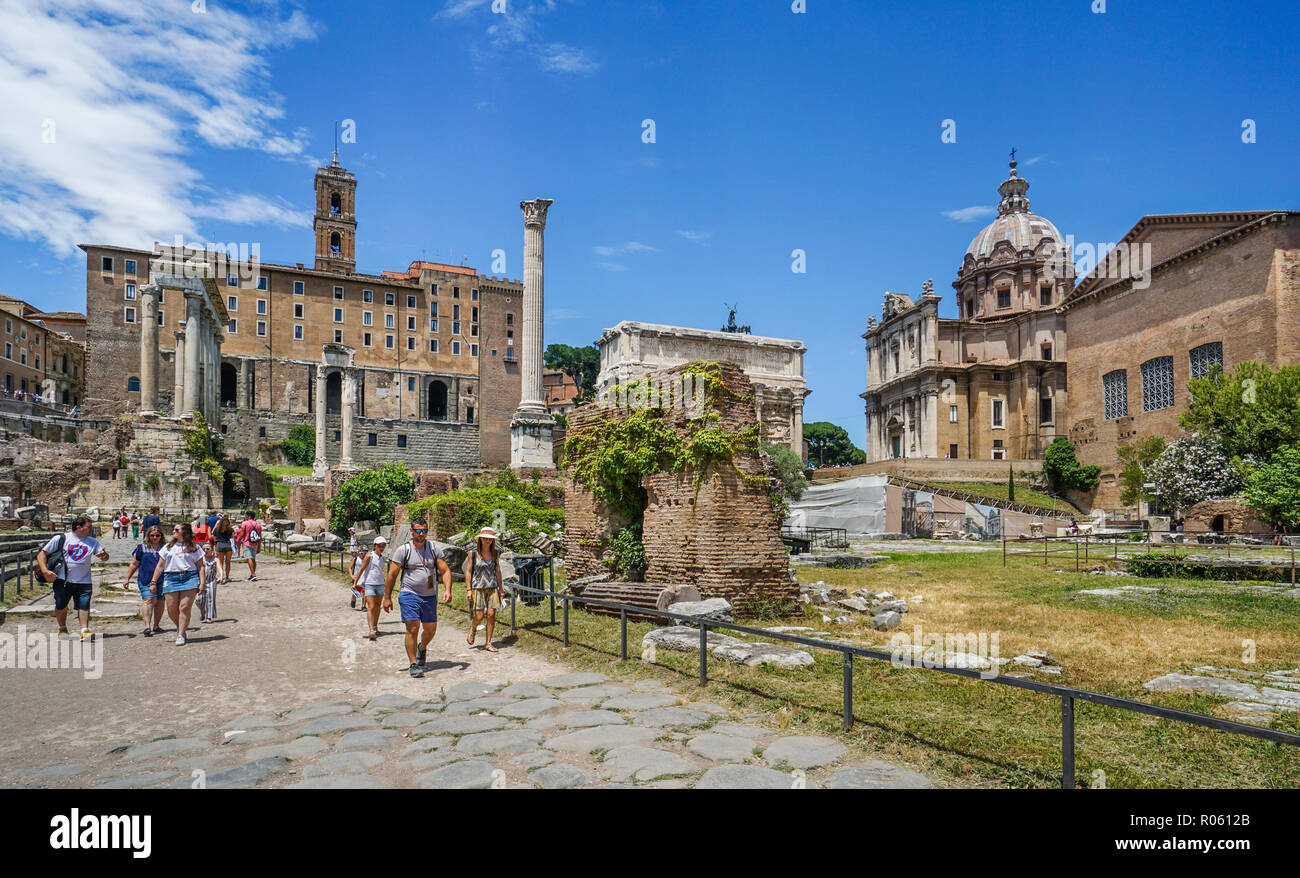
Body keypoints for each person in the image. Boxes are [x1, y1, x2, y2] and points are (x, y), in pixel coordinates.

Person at [383, 520, 451, 678]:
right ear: (412, 532)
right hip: (409, 593)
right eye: (418, 531)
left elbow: (445, 570)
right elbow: (392, 574)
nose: (421, 534)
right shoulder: (403, 550)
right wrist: (387, 597)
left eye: (424, 531)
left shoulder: (434, 549)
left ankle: (422, 647)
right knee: (412, 628)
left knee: (430, 629)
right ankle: (413, 663)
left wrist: (448, 589)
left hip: (429, 596)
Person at [37, 515, 109, 641]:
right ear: (78, 527)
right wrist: (44, 570)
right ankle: (62, 628)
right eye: (89, 526)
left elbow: (105, 558)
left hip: (84, 580)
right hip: (62, 579)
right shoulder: (61, 538)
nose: (91, 529)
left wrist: (104, 555)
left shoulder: (93, 542)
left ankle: (84, 630)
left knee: (84, 605)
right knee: (61, 605)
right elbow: (42, 554)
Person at [148, 523, 206, 645]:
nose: (173, 531)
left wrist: (202, 583)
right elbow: (160, 566)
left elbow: (200, 567)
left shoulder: (195, 548)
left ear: (184, 532)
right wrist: (153, 582)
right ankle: (181, 627)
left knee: (184, 607)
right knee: (171, 608)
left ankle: (181, 634)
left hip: (190, 577)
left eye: (176, 529)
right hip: (171, 578)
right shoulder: (167, 547)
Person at [464, 527, 504, 652]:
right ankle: (473, 628)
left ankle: (488, 643)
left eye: (490, 539)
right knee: (479, 616)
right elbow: (469, 571)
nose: (487, 541)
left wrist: (501, 589)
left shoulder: (495, 553)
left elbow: (497, 571)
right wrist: (468, 589)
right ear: (480, 539)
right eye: (485, 538)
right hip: (478, 587)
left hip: (492, 587)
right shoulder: (473, 553)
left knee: (491, 615)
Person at [122, 525, 167, 636]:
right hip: (145, 579)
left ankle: (156, 625)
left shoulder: (165, 548)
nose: (155, 537)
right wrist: (127, 578)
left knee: (160, 601)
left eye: (157, 535)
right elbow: (134, 564)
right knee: (149, 600)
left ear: (161, 536)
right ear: (148, 536)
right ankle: (147, 626)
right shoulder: (142, 548)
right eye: (152, 535)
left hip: (163, 579)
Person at [352, 536, 388, 640]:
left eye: (383, 546)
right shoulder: (369, 556)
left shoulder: (382, 558)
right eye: (380, 546)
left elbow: (379, 570)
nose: (381, 548)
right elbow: (361, 569)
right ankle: (371, 629)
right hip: (370, 584)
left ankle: (375, 627)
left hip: (380, 584)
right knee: (371, 606)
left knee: (377, 606)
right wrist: (355, 582)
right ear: (374, 546)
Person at [234, 510, 262, 581]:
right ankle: (253, 573)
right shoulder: (258, 525)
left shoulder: (245, 523)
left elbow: (242, 533)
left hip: (247, 543)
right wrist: (259, 547)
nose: (245, 517)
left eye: (246, 516)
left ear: (249, 516)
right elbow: (259, 537)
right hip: (255, 543)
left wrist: (238, 540)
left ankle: (253, 575)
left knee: (249, 558)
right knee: (253, 559)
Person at [197, 542, 219, 624]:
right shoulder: (200, 559)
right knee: (198, 599)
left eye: (207, 549)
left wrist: (221, 576)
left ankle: (209, 616)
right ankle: (203, 611)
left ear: (212, 550)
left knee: (210, 599)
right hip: (200, 581)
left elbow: (220, 568)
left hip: (211, 581)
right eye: (203, 549)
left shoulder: (215, 559)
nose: (205, 550)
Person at [213, 514, 235, 584]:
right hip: (228, 545)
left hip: (219, 544)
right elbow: (233, 538)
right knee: (228, 562)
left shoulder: (217, 529)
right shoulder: (230, 529)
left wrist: (216, 542)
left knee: (220, 562)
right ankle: (227, 577)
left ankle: (221, 576)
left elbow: (213, 537)